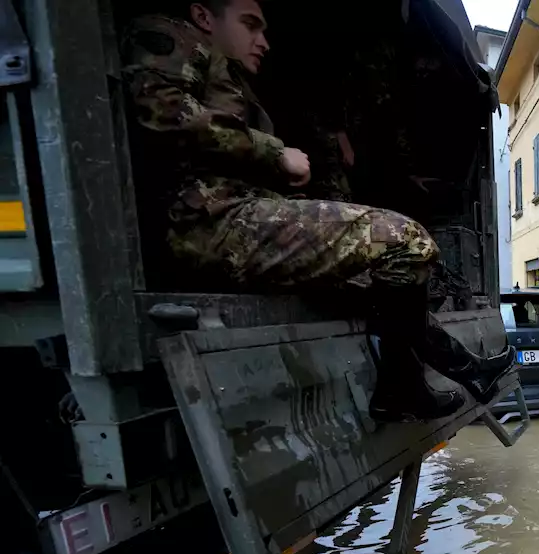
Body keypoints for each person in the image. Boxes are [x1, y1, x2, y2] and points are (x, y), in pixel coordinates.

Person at [120, 0, 513, 422]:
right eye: (250, 25)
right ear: (203, 17)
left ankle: (453, 374)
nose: (264, 41)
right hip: (206, 224)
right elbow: (160, 111)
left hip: (232, 218)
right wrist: (274, 154)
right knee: (407, 242)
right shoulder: (175, 37)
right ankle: (414, 386)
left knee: (373, 283)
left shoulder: (232, 76)